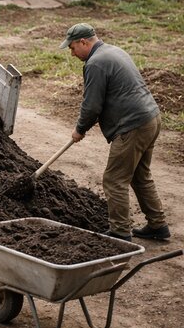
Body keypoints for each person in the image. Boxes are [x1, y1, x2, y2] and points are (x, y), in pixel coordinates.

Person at [59, 22, 170, 242]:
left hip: (132, 126)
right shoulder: (114, 51)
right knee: (140, 176)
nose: (72, 53)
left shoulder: (96, 64)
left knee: (114, 180)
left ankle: (120, 232)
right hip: (150, 119)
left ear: (83, 42)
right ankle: (158, 225)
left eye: (72, 48)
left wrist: (79, 129)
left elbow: (91, 106)